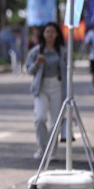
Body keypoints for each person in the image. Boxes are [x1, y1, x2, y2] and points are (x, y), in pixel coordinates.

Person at [26, 22, 67, 160]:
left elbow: (68, 72)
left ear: (57, 34)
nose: (50, 34)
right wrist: (37, 64)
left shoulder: (62, 51)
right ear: (43, 34)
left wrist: (68, 93)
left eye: (53, 32)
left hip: (57, 86)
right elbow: (29, 70)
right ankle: (42, 147)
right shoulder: (36, 51)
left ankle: (52, 150)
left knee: (55, 122)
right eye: (47, 31)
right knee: (40, 118)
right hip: (41, 87)